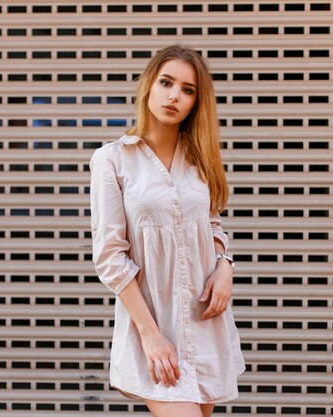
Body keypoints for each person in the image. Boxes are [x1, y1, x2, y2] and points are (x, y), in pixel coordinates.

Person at [89, 44, 245, 417]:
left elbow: (211, 224)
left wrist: (225, 266)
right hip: (155, 329)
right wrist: (150, 335)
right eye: (166, 82)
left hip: (205, 324)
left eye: (188, 90)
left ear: (196, 102)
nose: (174, 95)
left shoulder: (199, 161)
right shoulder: (112, 160)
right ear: (149, 86)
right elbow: (110, 257)